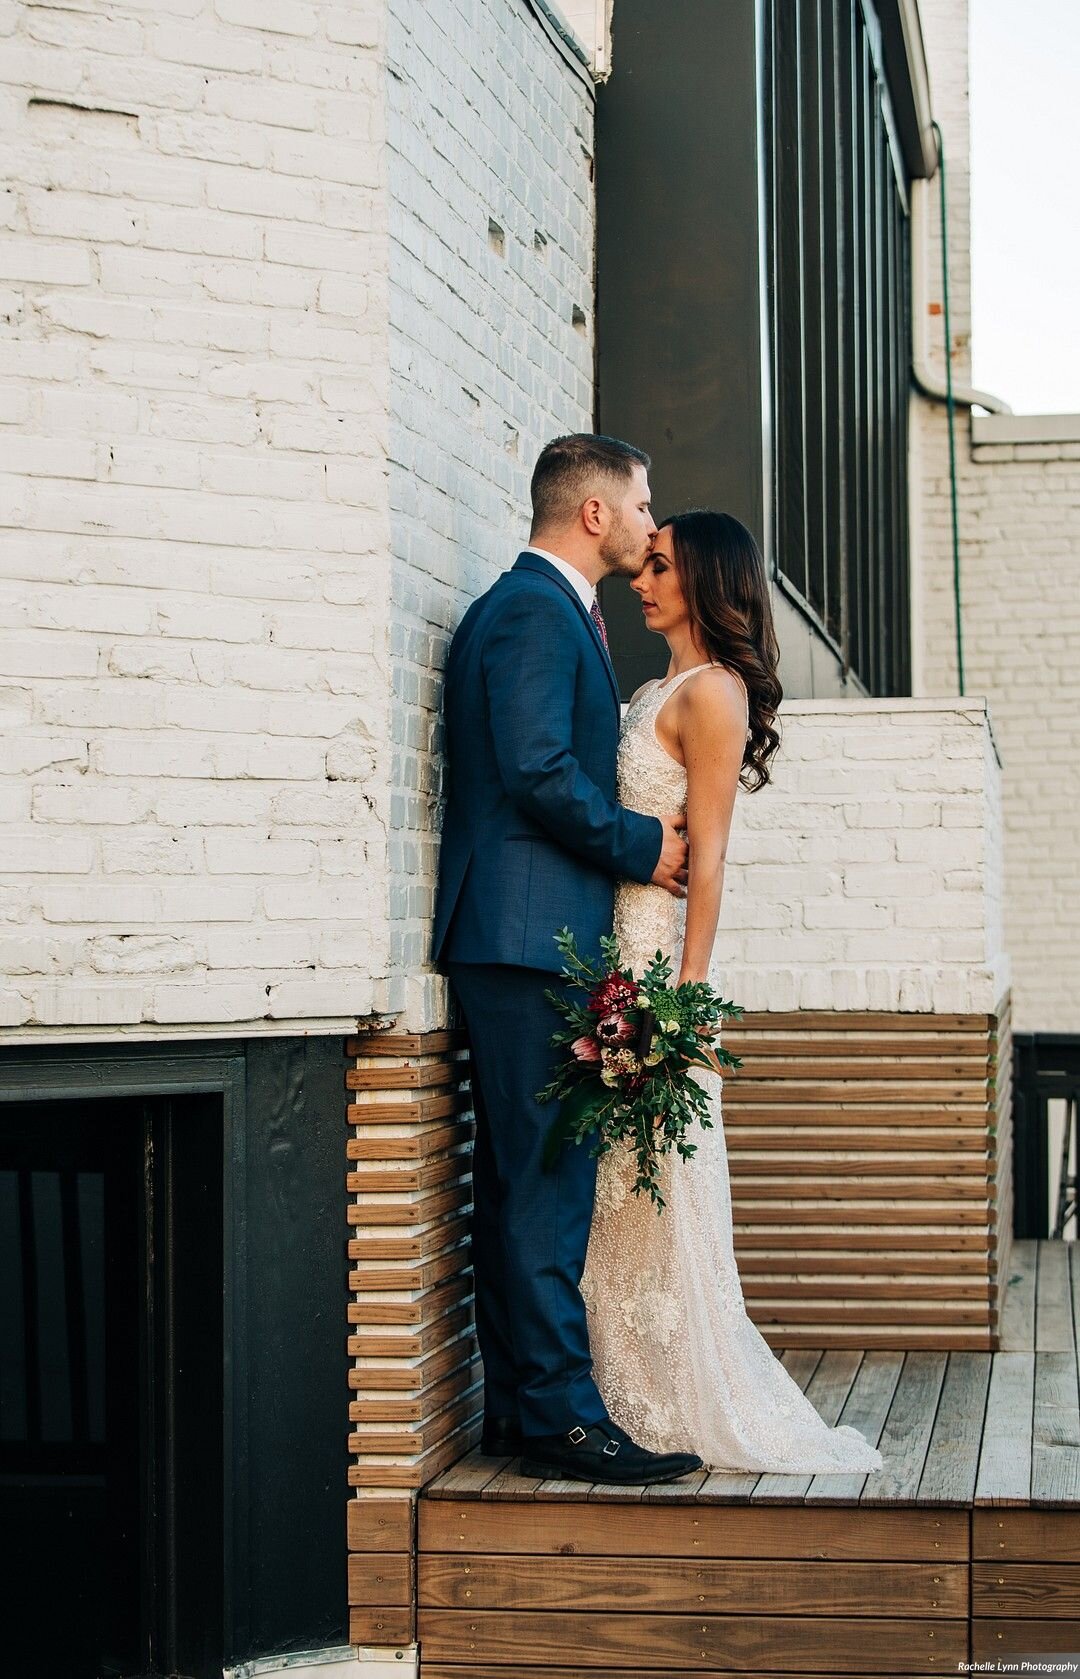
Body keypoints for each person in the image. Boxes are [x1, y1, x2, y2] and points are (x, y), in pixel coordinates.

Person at [580, 510, 883, 1474]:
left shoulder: (713, 694)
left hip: (659, 967)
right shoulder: (646, 688)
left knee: (660, 1179)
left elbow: (708, 855)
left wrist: (683, 1000)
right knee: (614, 1188)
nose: (642, 577)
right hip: (608, 954)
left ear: (706, 579)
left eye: (660, 565)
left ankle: (677, 1394)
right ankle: (618, 1379)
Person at [432, 435, 703, 1485]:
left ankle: (519, 1408)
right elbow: (541, 771)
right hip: (525, 935)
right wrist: (648, 847)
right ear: (594, 513)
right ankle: (562, 1420)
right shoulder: (538, 613)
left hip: (518, 934)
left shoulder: (536, 607)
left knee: (521, 1180)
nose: (649, 521)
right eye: (642, 503)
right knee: (547, 1182)